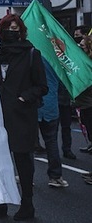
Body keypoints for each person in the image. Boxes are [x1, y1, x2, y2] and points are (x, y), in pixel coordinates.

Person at [0, 14, 47, 221]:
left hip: (22, 115)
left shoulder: (31, 54)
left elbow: (42, 86)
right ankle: (0, 203)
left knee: (23, 161)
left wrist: (24, 97)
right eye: (8, 27)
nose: (12, 31)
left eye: (16, 28)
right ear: (1, 30)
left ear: (22, 31)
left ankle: (27, 203)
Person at [37, 60, 68, 188]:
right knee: (51, 142)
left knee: (28, 144)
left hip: (33, 104)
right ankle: (55, 176)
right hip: (51, 104)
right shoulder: (55, 61)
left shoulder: (32, 57)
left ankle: (26, 176)